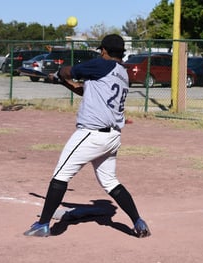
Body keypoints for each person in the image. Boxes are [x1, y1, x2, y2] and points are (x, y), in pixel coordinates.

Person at [23, 34, 151, 238]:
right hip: (112, 138)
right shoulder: (121, 73)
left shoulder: (102, 65)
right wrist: (62, 82)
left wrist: (59, 73)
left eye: (102, 50)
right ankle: (138, 220)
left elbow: (68, 70)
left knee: (60, 175)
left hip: (91, 134)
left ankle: (43, 224)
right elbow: (87, 91)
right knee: (110, 182)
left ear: (105, 51)